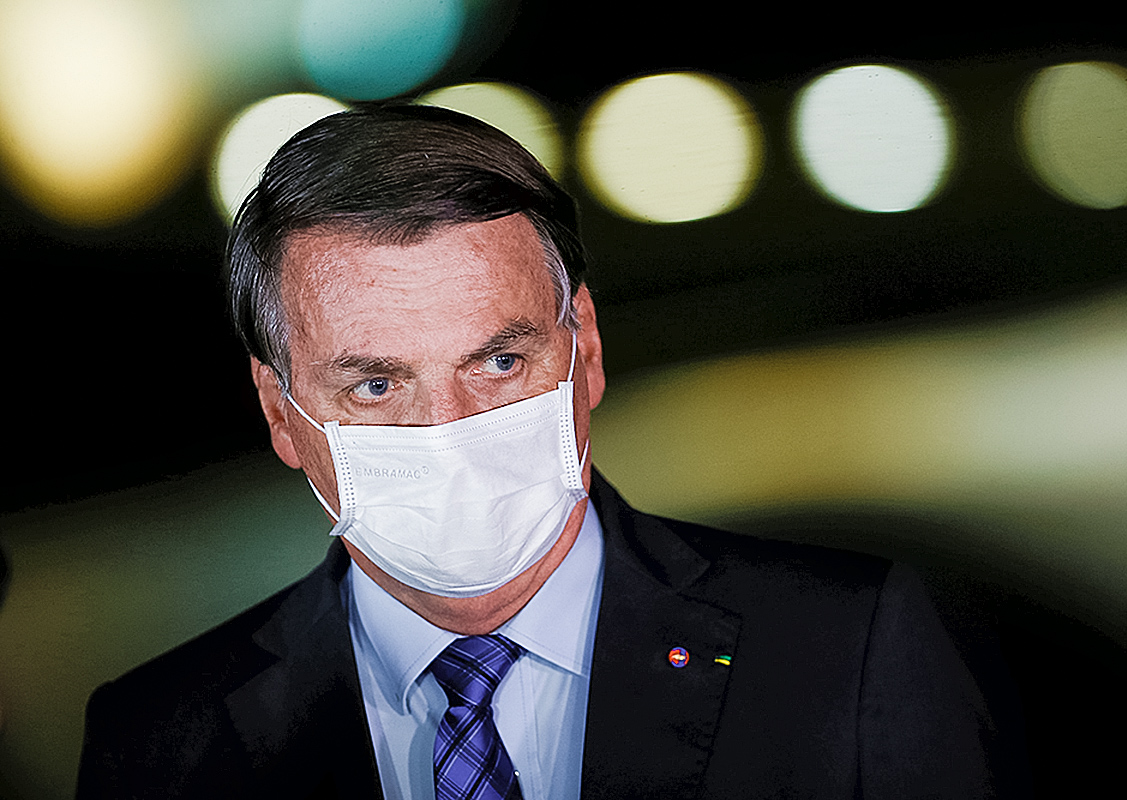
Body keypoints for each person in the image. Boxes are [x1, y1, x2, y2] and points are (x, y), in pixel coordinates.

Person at [77, 102, 1005, 799]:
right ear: (280, 414)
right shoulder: (157, 741)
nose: (449, 430)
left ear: (584, 350)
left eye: (500, 362)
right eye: (376, 386)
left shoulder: (850, 649)